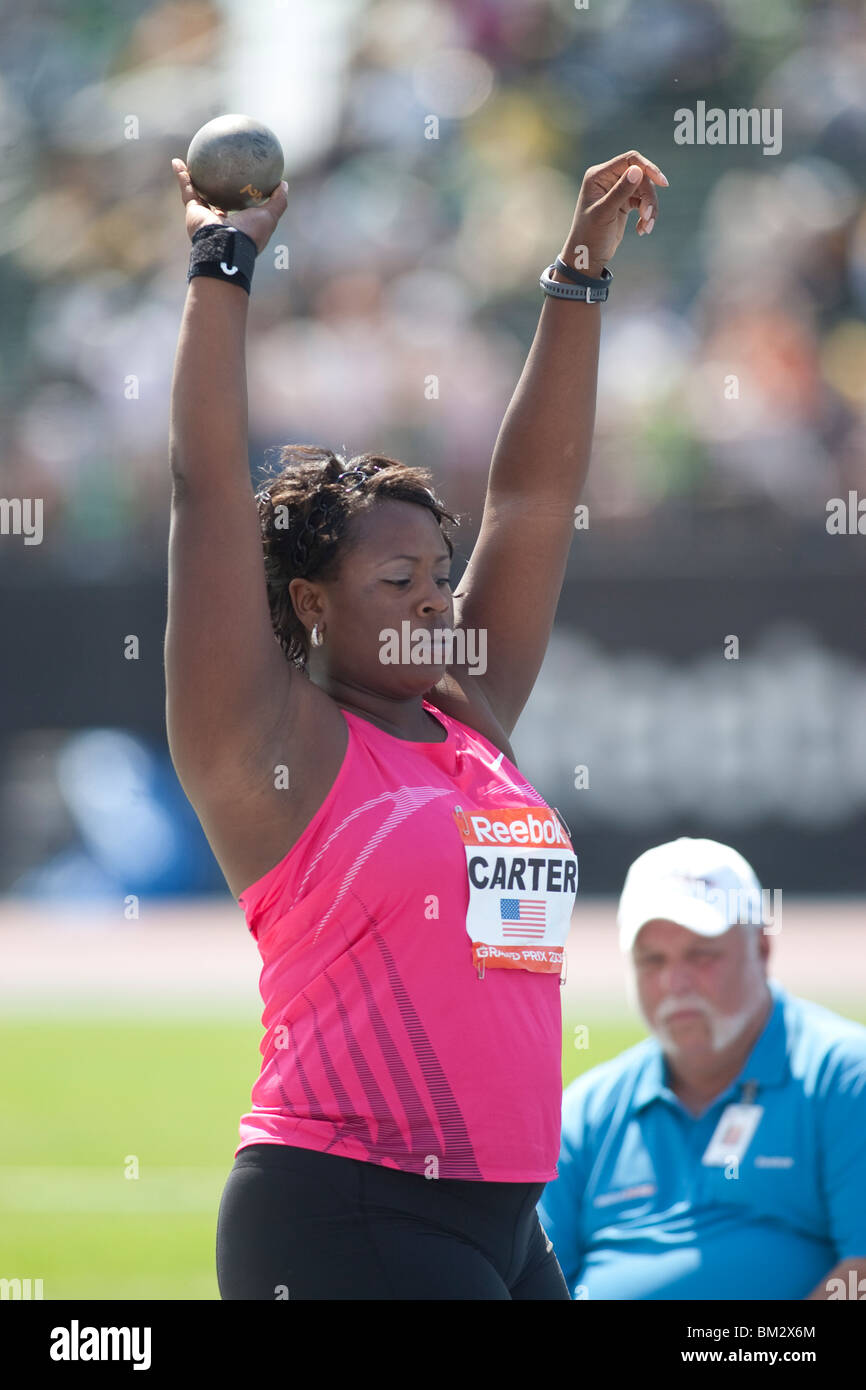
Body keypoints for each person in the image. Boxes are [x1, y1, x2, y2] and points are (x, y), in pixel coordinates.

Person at [165, 147, 667, 1300]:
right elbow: (202, 489)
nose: (436, 602)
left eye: (438, 575)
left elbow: (537, 500)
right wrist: (220, 261)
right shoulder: (268, 746)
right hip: (343, 1201)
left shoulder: (465, 706)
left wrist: (578, 273)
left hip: (505, 1219)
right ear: (306, 602)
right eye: (398, 585)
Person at [538, 837, 866, 1300]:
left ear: (763, 949)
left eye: (702, 955)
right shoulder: (584, 1115)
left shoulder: (844, 1077)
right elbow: (532, 1281)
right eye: (652, 960)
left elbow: (861, 1275)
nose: (676, 982)